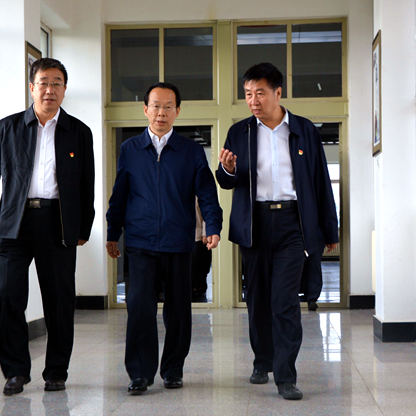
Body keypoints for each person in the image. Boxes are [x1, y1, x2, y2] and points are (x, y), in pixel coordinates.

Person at [0, 58, 95, 396]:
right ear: (32, 87)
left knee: (60, 302)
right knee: (8, 297)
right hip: (15, 223)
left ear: (64, 89)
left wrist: (84, 227)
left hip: (58, 224)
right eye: (43, 82)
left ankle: (56, 372)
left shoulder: (79, 132)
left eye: (56, 83)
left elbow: (86, 183)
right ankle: (15, 372)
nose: (50, 89)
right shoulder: (8, 127)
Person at [216, 63, 338, 400]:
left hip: (292, 223)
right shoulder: (239, 131)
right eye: (248, 94)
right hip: (254, 224)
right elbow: (226, 180)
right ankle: (262, 360)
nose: (253, 101)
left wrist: (329, 230)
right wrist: (227, 170)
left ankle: (286, 377)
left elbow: (320, 181)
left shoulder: (303, 130)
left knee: (284, 301)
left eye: (260, 93)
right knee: (257, 300)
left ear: (278, 93)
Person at [106, 82, 223, 394]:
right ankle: (140, 373)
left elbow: (207, 194)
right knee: (139, 308)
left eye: (168, 106)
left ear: (177, 111)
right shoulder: (130, 149)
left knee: (179, 310)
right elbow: (120, 195)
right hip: (140, 242)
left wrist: (212, 226)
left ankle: (173, 369)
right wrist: (112, 232)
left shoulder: (191, 151)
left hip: (179, 241)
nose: (161, 112)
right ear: (145, 109)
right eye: (156, 105)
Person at [191, 199, 212, 303]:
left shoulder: (199, 194)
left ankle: (199, 289)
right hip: (184, 235)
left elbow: (207, 212)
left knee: (199, 265)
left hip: (198, 235)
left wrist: (205, 233)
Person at [300, 231, 326, 311]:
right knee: (313, 266)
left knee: (313, 265)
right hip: (313, 235)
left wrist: (332, 238)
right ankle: (310, 297)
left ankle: (311, 297)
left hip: (315, 235)